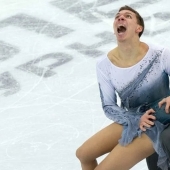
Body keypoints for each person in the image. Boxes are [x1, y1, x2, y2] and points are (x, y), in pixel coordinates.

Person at [76, 5, 170, 170]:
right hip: (133, 117)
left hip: (159, 118)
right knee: (83, 154)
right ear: (115, 29)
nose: (120, 18)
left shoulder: (159, 54)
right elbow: (108, 106)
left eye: (128, 16)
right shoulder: (104, 65)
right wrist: (134, 119)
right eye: (118, 16)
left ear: (138, 28)